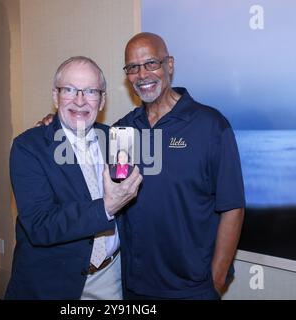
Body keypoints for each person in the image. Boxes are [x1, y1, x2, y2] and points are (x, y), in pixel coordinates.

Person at [40, 32, 245, 300]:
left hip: (193, 288)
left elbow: (232, 207)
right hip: (134, 286)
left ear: (169, 65)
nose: (142, 74)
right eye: (133, 67)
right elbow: (82, 143)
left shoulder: (211, 126)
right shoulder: (122, 130)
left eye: (151, 63)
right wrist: (52, 125)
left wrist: (216, 280)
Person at [5, 56, 142, 300]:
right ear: (56, 96)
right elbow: (39, 226)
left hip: (111, 278)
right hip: (52, 284)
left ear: (102, 101)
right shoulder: (29, 147)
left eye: (90, 91)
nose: (80, 101)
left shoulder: (117, 139)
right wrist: (106, 207)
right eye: (70, 90)